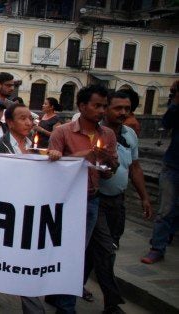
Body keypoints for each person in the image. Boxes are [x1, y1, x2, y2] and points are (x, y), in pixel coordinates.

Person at [46, 85, 119, 314]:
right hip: (67, 203)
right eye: (97, 105)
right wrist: (80, 156)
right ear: (82, 106)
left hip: (92, 200)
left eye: (104, 106)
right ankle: (65, 306)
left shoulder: (107, 135)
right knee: (70, 253)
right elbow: (51, 168)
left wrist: (108, 164)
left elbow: (109, 171)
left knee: (93, 251)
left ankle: (63, 299)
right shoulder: (63, 132)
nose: (101, 110)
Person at [0, 102, 61, 314]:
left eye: (30, 118)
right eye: (22, 118)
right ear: (9, 122)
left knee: (27, 263)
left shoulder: (37, 147)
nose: (29, 122)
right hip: (7, 213)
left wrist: (53, 159)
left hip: (31, 214)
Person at [99, 91, 152, 249]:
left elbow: (134, 167)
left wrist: (144, 197)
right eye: (118, 108)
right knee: (102, 246)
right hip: (96, 198)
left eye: (126, 108)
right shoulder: (94, 133)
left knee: (113, 243)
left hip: (118, 200)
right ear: (106, 109)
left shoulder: (130, 134)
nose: (123, 112)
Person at [141, 79, 179, 264]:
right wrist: (175, 101)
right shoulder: (176, 108)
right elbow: (167, 122)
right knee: (165, 209)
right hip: (173, 165)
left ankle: (168, 236)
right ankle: (157, 247)